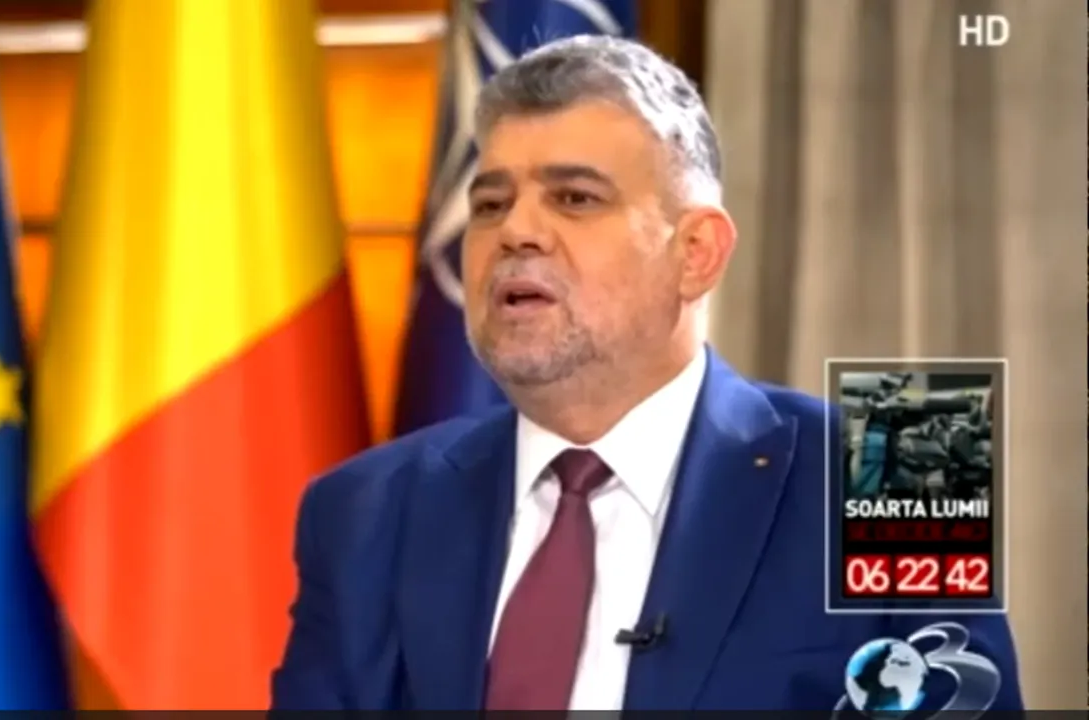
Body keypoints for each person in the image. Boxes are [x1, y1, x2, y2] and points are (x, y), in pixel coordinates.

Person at [270, 35, 1024, 711]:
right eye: (491, 203)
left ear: (696, 253)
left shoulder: (910, 463)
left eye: (575, 197)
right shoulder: (366, 509)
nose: (515, 231)